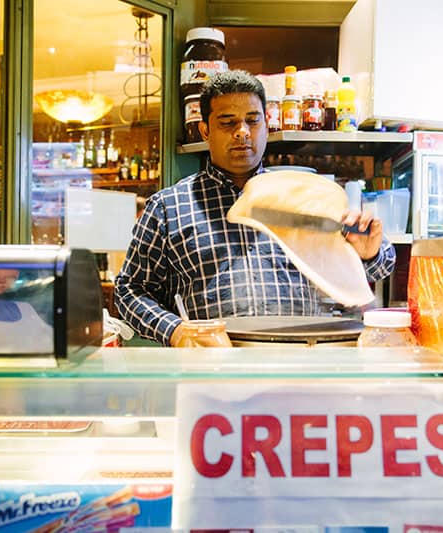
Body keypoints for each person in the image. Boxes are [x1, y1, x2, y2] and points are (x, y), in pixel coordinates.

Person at [115, 70, 396, 346]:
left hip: (301, 363)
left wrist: (367, 252)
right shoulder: (168, 207)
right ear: (205, 130)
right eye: (227, 122)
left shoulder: (301, 196)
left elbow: (380, 266)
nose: (242, 132)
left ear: (266, 124)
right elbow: (130, 290)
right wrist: (175, 330)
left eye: (253, 120)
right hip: (212, 369)